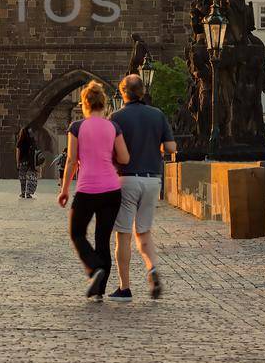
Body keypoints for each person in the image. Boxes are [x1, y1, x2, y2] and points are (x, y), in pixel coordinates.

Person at [105, 74, 177, 301]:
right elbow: (171, 147)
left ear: (123, 92)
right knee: (143, 231)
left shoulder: (116, 117)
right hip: (152, 179)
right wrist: (156, 146)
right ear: (143, 92)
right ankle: (152, 268)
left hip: (126, 179)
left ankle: (124, 288)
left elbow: (108, 151)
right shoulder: (157, 114)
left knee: (123, 235)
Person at [58, 82, 129, 301]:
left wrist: (64, 190)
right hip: (111, 190)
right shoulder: (113, 127)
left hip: (87, 189)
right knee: (102, 239)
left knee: (77, 232)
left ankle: (95, 268)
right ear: (103, 103)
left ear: (85, 103)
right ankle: (99, 289)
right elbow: (125, 158)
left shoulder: (77, 127)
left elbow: (71, 161)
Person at [16, 126, 42, 199]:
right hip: (30, 162)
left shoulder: (20, 142)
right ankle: (28, 193)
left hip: (22, 162)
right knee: (30, 178)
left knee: (22, 178)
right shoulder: (31, 142)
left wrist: (17, 163)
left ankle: (23, 193)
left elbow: (17, 153)